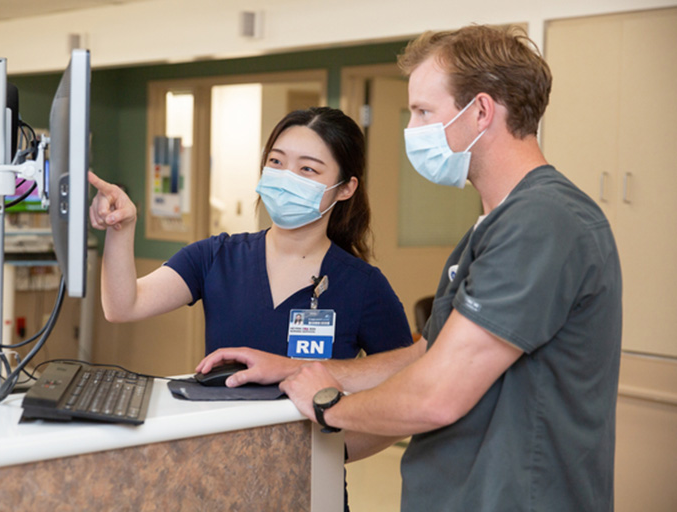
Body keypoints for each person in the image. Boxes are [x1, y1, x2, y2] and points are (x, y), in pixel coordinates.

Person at [197, 25, 622, 511]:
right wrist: (296, 368)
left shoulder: (543, 222)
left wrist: (329, 405)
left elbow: (437, 394)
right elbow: (427, 354)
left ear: (481, 111)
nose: (412, 128)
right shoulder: (494, 227)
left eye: (423, 111)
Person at [88, 106, 412, 361]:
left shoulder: (362, 286)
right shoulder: (216, 257)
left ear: (345, 188)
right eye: (276, 161)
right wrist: (121, 227)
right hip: (224, 441)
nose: (286, 177)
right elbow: (122, 307)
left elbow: (402, 380)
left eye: (307, 169)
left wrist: (344, 446)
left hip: (315, 446)